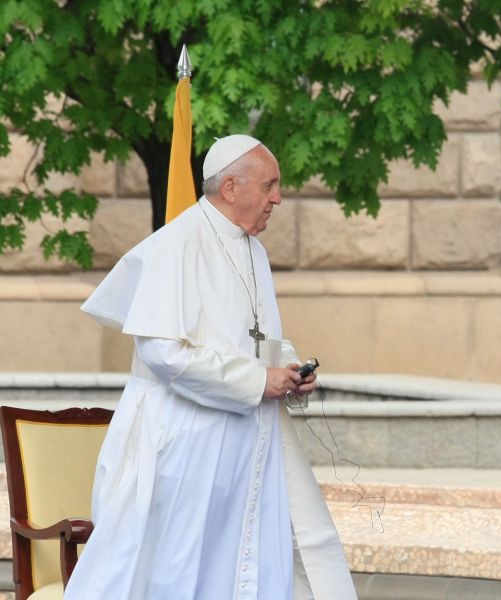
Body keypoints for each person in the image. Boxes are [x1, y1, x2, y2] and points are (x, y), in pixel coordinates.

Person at [66, 135, 358, 599]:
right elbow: (165, 353)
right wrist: (259, 381)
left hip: (244, 445)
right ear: (231, 188)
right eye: (270, 185)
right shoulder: (176, 245)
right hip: (183, 446)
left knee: (241, 566)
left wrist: (287, 368)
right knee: (176, 571)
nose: (278, 197)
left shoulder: (252, 250)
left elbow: (251, 335)